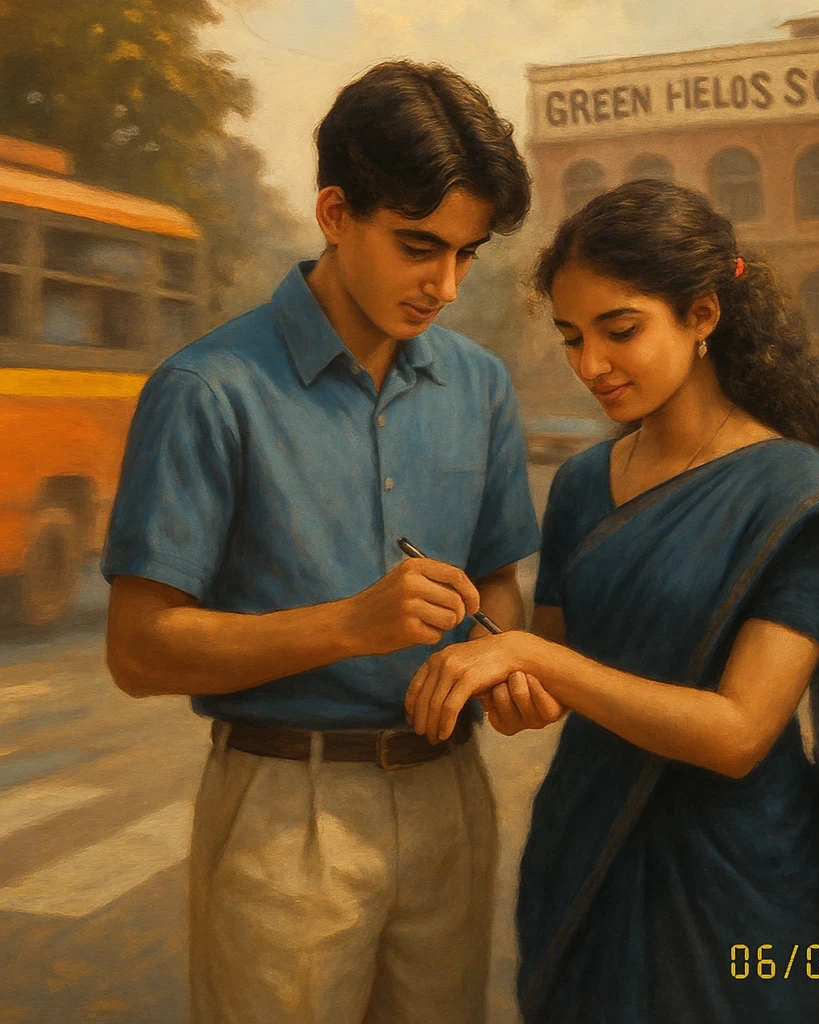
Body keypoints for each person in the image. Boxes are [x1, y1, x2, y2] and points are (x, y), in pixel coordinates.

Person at [405, 180, 819, 1023]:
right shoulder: (581, 485)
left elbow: (737, 735)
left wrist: (534, 658)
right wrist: (498, 669)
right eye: (572, 339)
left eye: (620, 331)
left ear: (704, 315)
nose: (591, 366)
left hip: (740, 883)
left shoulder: (794, 493)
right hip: (587, 858)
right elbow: (538, 699)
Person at [102, 61, 540, 1024]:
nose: (446, 286)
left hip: (450, 800)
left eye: (469, 255)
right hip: (280, 808)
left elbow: (502, 588)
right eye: (419, 246)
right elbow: (136, 652)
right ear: (335, 213)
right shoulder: (207, 388)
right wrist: (352, 624)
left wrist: (489, 661)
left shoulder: (481, 387)